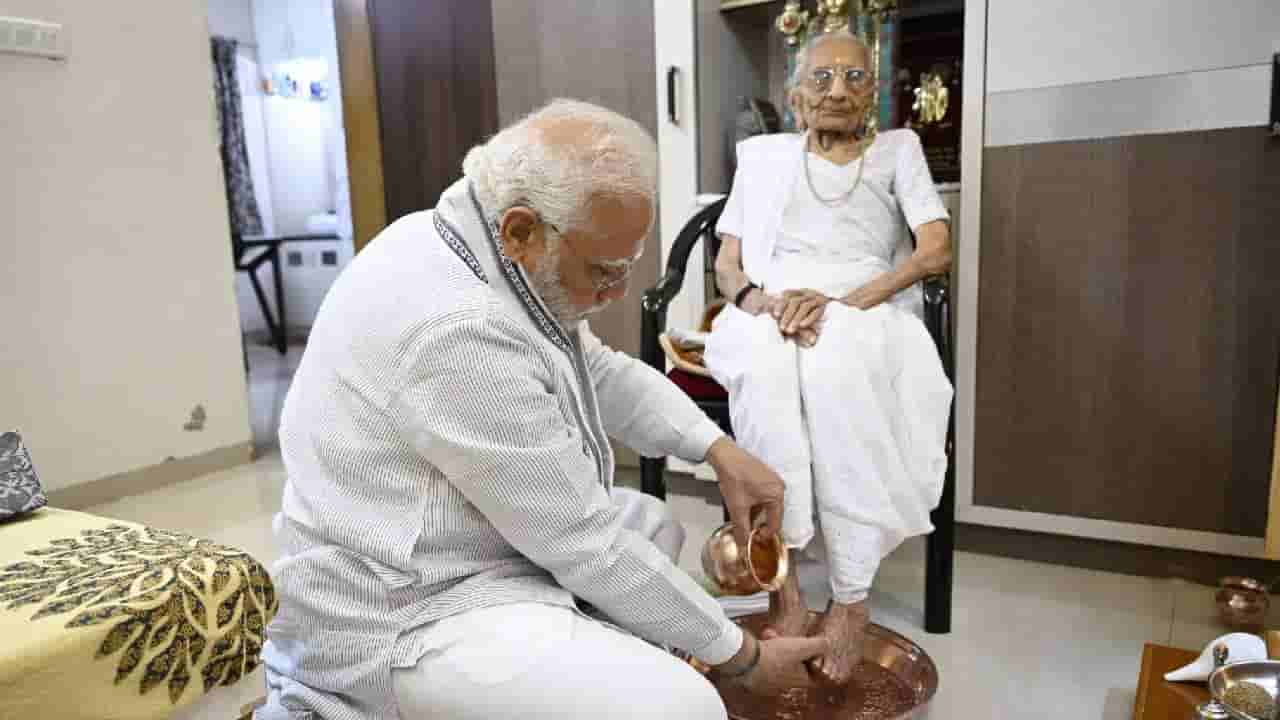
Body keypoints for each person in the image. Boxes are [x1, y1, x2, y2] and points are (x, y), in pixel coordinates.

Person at [256, 99, 829, 720]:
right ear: (522, 231)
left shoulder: (476, 246)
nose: (618, 292)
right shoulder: (458, 329)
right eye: (605, 270)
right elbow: (586, 544)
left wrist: (718, 450)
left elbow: (597, 370)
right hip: (406, 612)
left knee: (654, 526)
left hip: (468, 546)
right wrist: (745, 658)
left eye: (628, 267)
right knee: (685, 708)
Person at [704, 31, 954, 686]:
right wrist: (764, 303)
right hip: (772, 304)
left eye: (854, 77)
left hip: (863, 305)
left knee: (834, 367)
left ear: (874, 92)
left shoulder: (899, 149)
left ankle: (850, 595)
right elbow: (728, 266)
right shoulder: (763, 159)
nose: (838, 90)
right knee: (766, 370)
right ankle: (782, 584)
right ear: (794, 96)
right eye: (821, 78)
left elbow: (934, 251)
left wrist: (842, 303)